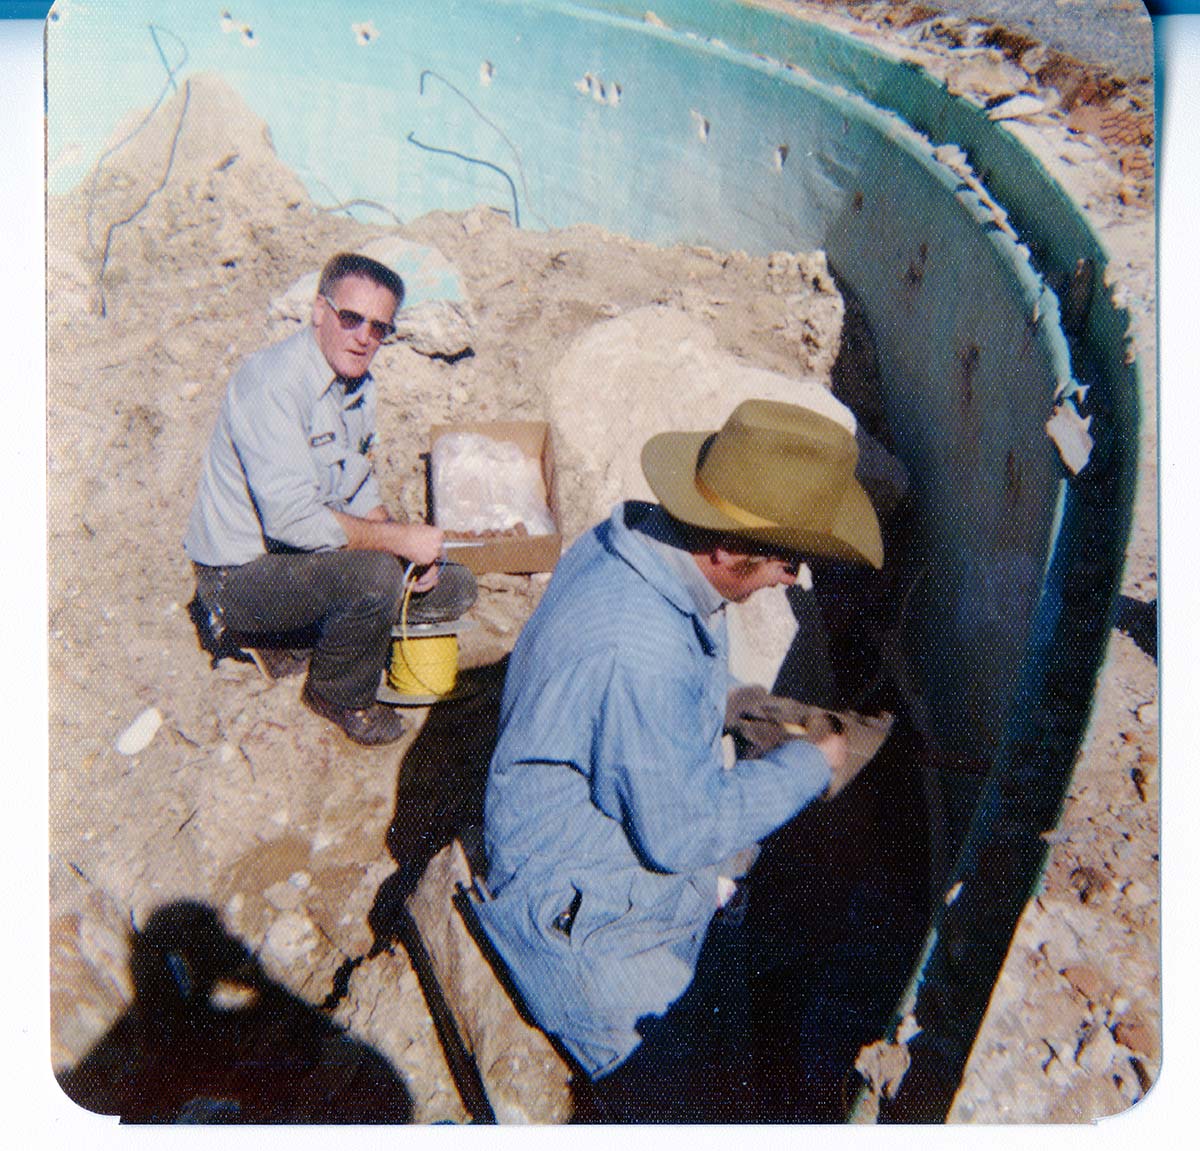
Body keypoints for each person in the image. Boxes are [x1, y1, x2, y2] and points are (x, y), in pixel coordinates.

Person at [470, 398, 886, 1122]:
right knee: (707, 1109)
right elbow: (681, 833)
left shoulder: (637, 544)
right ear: (727, 550)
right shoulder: (640, 646)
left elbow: (654, 691)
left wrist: (741, 703)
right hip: (581, 913)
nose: (794, 578)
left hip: (608, 842)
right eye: (790, 559)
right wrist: (816, 762)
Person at [184, 252, 476, 746]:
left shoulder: (357, 386)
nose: (364, 336)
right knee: (376, 576)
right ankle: (338, 694)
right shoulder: (272, 385)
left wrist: (400, 542)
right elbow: (293, 522)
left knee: (455, 585)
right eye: (351, 318)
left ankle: (297, 639)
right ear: (320, 310)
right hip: (238, 577)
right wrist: (395, 542)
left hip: (296, 563)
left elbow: (356, 485)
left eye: (380, 328)